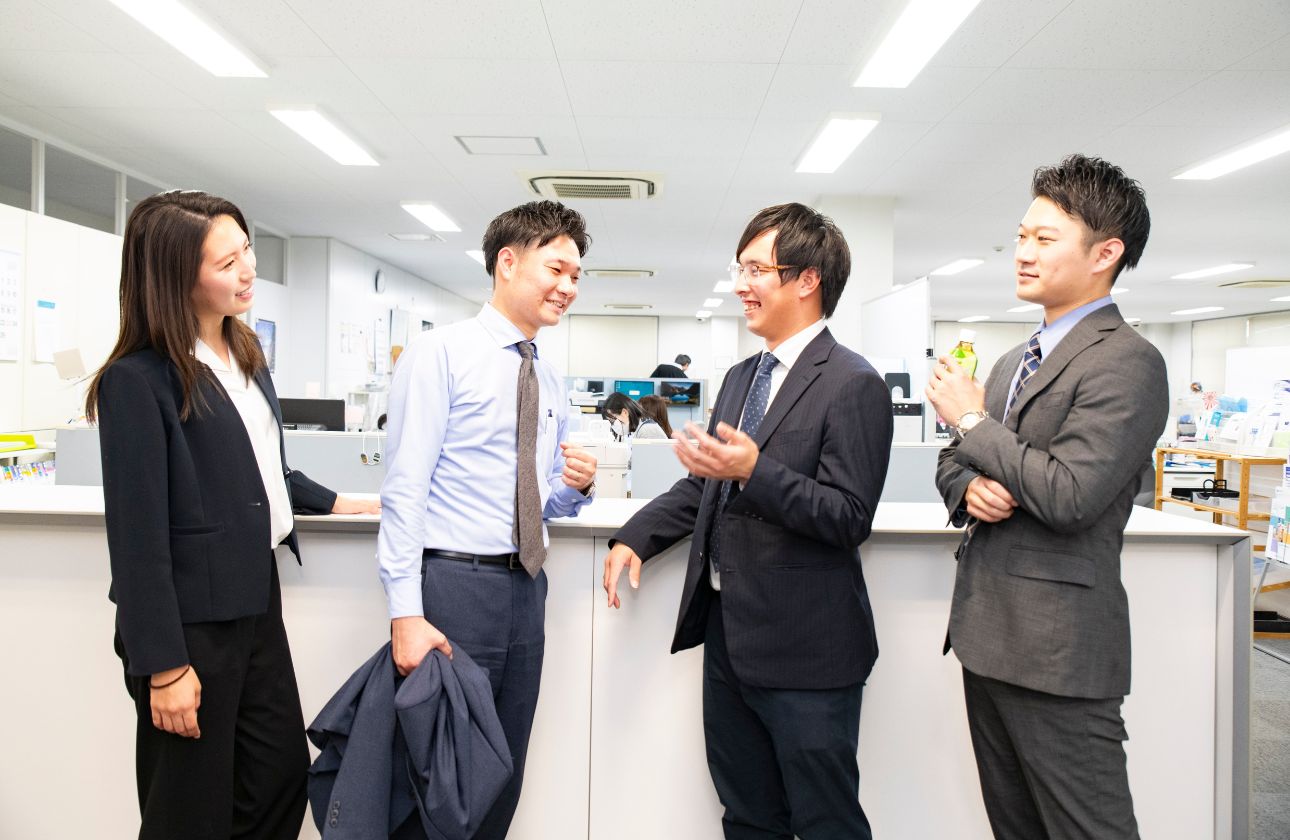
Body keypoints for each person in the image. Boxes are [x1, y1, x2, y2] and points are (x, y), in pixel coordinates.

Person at [86, 190, 378, 840]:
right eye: (227, 263)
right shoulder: (138, 380)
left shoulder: (243, 352)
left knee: (278, 781)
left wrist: (334, 500)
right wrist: (164, 666)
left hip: (256, 602)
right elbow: (136, 539)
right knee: (188, 809)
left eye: (246, 251)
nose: (248, 271)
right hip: (189, 623)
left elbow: (261, 467)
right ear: (176, 278)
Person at [604, 203, 892, 839]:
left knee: (826, 822)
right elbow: (708, 485)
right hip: (731, 641)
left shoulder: (853, 383)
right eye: (741, 268)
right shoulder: (741, 377)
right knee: (747, 817)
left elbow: (848, 516)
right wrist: (637, 536)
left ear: (807, 279)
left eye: (757, 270)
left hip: (808, 652)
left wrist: (755, 471)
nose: (741, 285)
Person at [925, 154, 1166, 840]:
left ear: (1106, 253)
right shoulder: (1014, 361)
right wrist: (969, 486)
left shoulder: (1128, 360)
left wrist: (973, 421)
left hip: (1058, 653)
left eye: (1044, 238)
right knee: (1017, 828)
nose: (1023, 253)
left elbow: (1071, 494)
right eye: (1021, 237)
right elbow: (952, 461)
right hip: (987, 636)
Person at [378, 200, 599, 839]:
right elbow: (405, 489)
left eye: (576, 276)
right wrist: (404, 612)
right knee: (438, 776)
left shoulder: (547, 374)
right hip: (454, 588)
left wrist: (573, 490)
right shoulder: (440, 353)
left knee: (502, 770)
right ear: (507, 262)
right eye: (556, 269)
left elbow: (534, 498)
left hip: (526, 589)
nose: (568, 287)